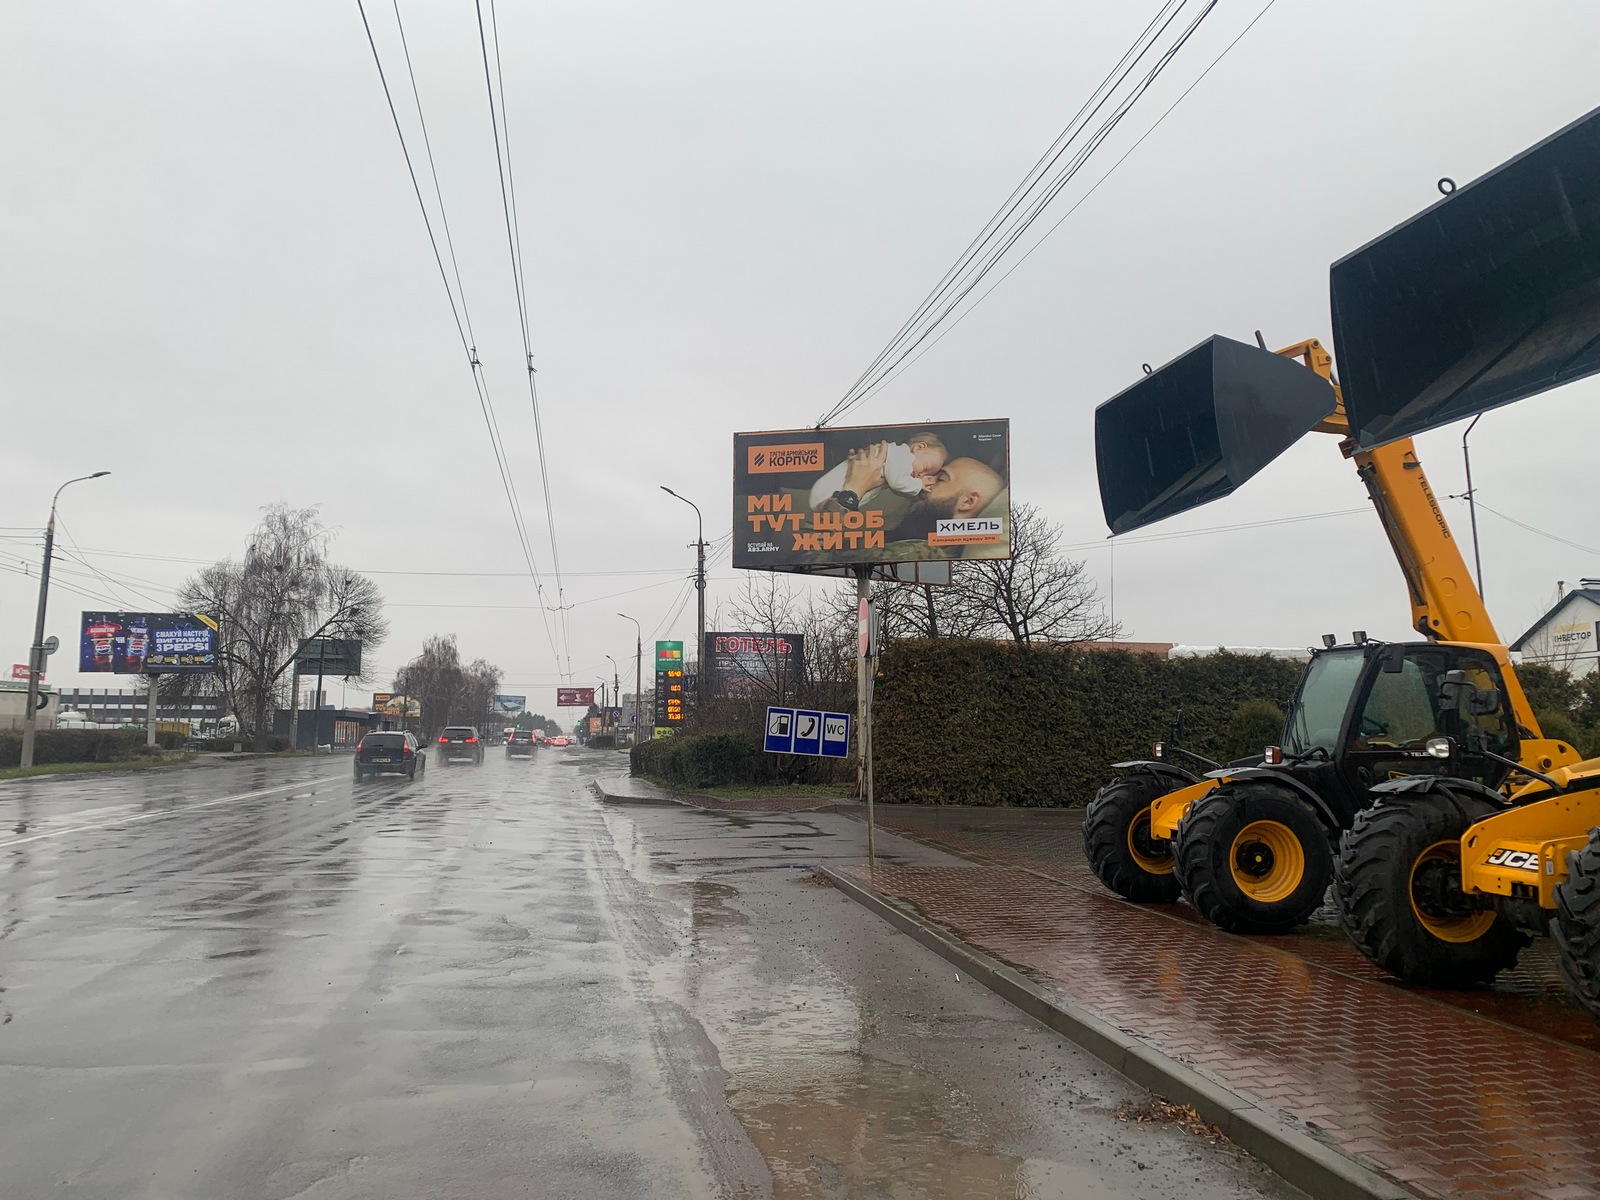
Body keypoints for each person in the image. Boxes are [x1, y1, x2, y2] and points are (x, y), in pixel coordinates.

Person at [807, 431, 947, 512]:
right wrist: (918, 484)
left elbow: (898, 489)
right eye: (925, 468)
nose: (921, 475)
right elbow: (898, 484)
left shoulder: (897, 465)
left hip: (831, 501)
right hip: (827, 494)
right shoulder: (900, 455)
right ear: (919, 448)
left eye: (927, 475)